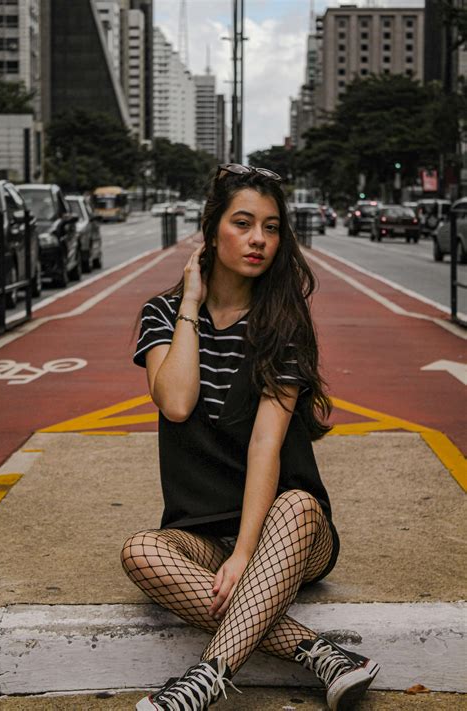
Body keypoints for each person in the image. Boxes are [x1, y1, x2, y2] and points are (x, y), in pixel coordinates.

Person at [122, 164, 380, 711]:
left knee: (296, 504)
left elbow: (266, 445)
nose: (259, 239)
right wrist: (190, 304)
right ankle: (320, 652)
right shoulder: (163, 314)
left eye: (271, 226)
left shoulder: (282, 321)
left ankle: (205, 679)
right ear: (212, 228)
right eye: (243, 223)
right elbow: (175, 401)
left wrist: (245, 550)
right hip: (202, 534)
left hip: (292, 534)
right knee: (142, 551)